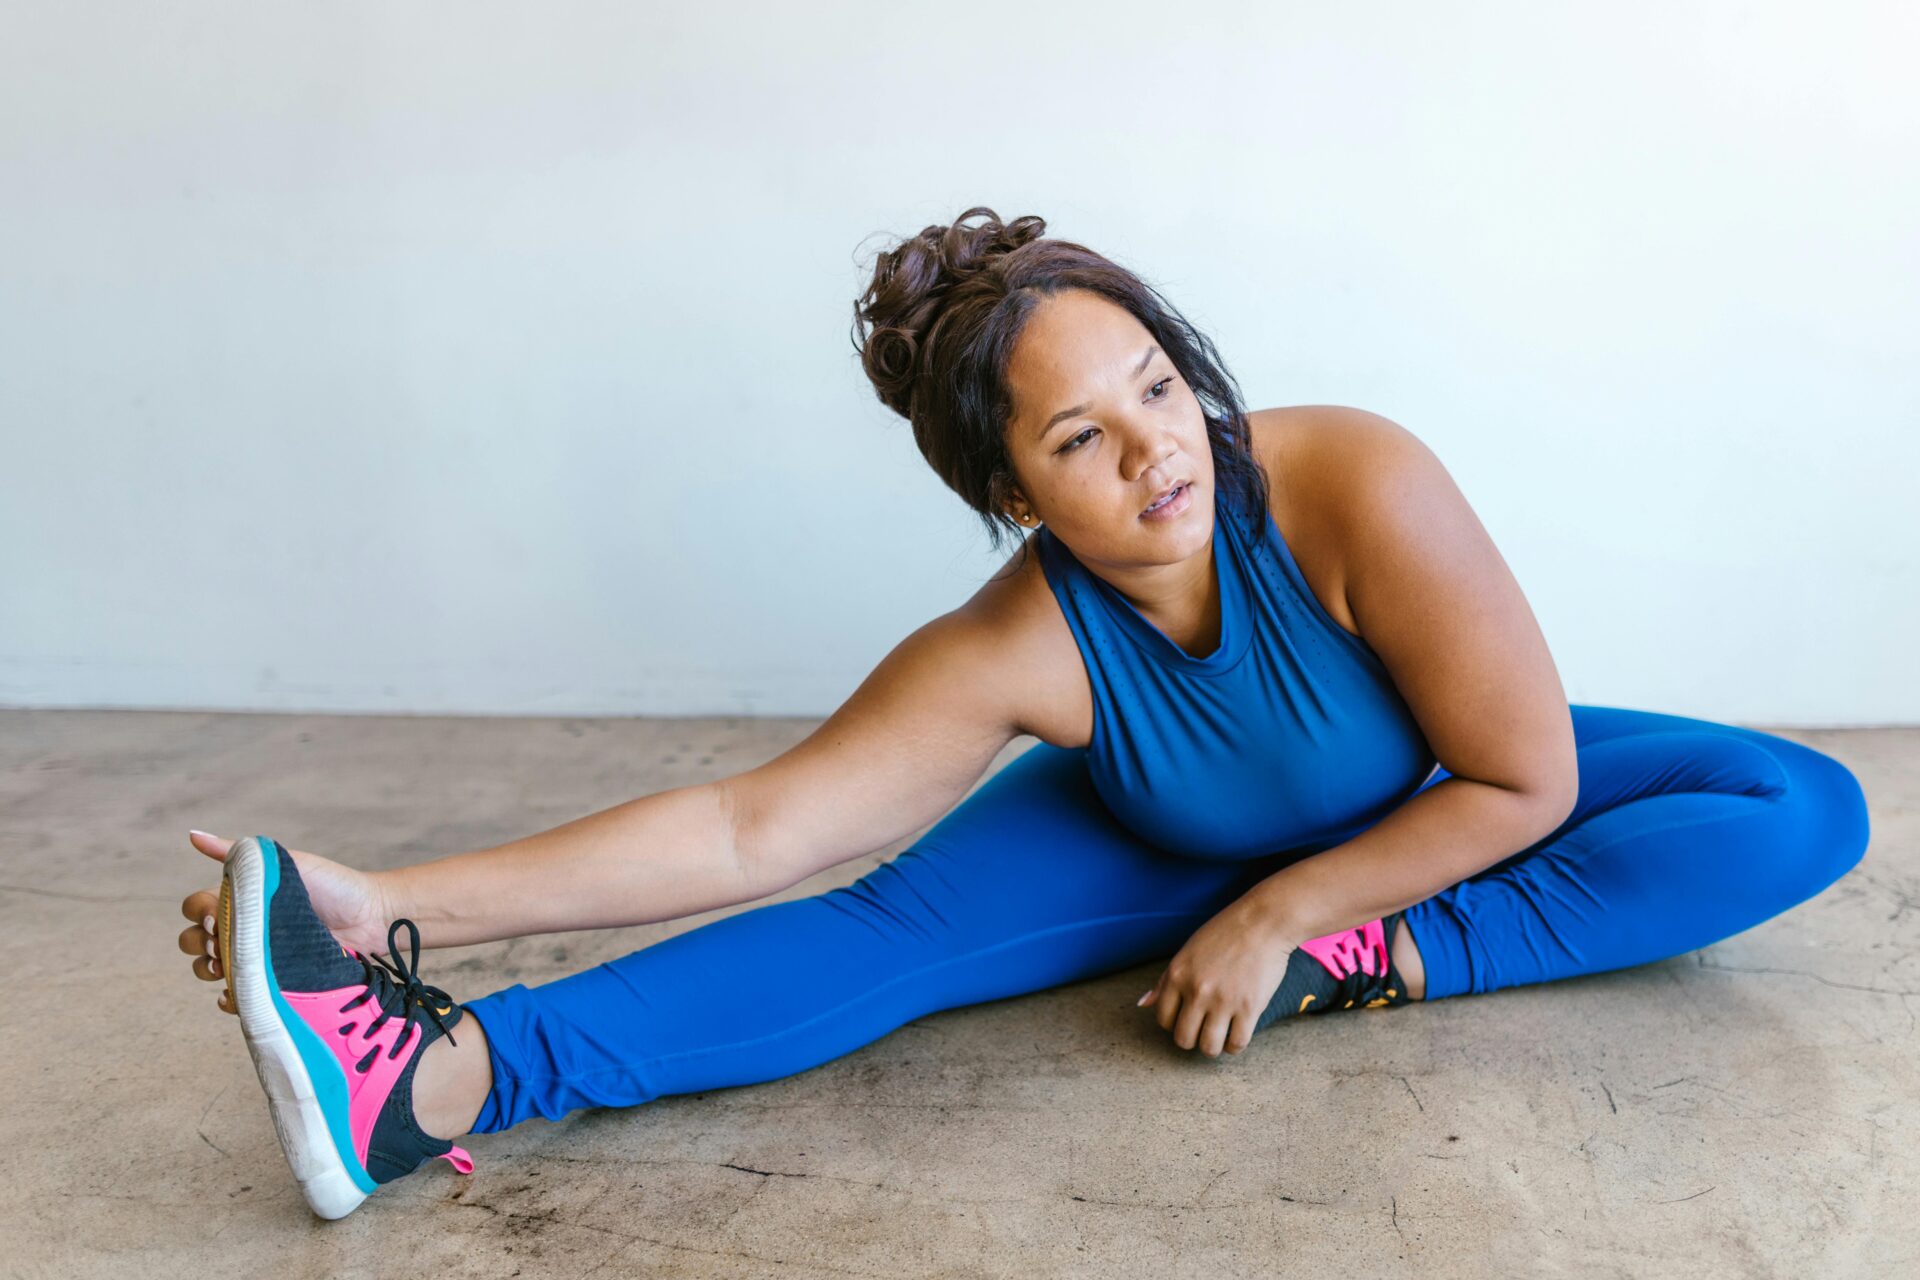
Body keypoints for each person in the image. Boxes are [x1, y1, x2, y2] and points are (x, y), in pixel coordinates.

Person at [176, 207, 1872, 1220]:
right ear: (1010, 489)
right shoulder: (1016, 639)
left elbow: (1523, 777)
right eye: (1083, 441)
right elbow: (750, 827)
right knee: (868, 936)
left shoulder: (1357, 480)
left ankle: (1383, 957)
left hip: (1416, 795)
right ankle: (432, 1084)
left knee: (1800, 810)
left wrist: (1297, 920)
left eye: (1155, 383)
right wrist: (391, 903)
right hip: (1158, 832)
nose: (1156, 452)